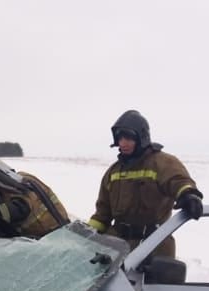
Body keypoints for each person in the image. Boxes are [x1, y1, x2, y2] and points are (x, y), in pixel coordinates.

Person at [87, 110, 203, 258]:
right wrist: (87, 235)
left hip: (154, 247)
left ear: (141, 137)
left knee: (159, 280)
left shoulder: (161, 162)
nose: (123, 143)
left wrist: (189, 194)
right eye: (120, 138)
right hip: (116, 248)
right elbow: (102, 214)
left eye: (128, 138)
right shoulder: (113, 172)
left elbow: (178, 180)